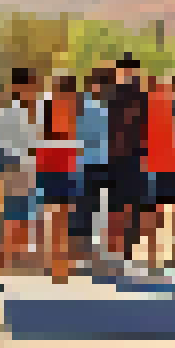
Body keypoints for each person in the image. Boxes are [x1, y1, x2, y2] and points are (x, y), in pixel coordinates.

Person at [140, 69, 175, 274]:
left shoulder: (152, 103)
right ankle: (172, 256)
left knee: (161, 214)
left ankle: (159, 258)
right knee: (171, 214)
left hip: (161, 165)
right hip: (170, 165)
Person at [33, 74, 84, 284]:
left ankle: (55, 262)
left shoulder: (45, 105)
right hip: (61, 164)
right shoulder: (68, 108)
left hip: (49, 163)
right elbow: (70, 137)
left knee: (53, 215)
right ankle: (59, 264)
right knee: (61, 216)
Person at [104, 55, 153, 271]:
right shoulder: (141, 97)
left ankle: (119, 248)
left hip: (117, 156)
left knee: (119, 202)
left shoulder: (112, 96)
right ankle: (126, 247)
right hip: (132, 156)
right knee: (130, 202)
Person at [0, 68, 41, 273]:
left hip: (29, 166)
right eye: (29, 86)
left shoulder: (33, 110)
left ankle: (18, 256)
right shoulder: (10, 112)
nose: (32, 91)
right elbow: (2, 143)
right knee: (14, 213)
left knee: (25, 213)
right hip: (14, 166)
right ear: (18, 88)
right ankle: (4, 258)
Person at [73, 65, 113, 273]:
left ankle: (93, 251)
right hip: (88, 163)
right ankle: (84, 252)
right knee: (88, 208)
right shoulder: (86, 105)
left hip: (102, 163)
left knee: (98, 208)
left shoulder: (102, 105)